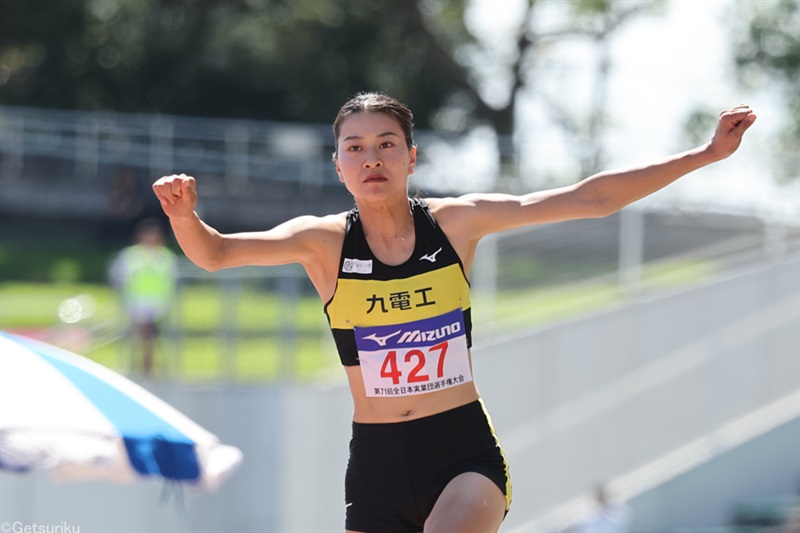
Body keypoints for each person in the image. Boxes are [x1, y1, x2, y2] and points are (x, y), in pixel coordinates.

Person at [152, 93, 756, 532]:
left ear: (411, 157)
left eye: (387, 144)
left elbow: (589, 199)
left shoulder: (456, 223)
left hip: (460, 451)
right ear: (338, 167)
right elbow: (218, 253)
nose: (372, 158)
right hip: (376, 461)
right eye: (355, 148)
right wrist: (183, 215)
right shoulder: (324, 242)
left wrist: (704, 155)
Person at [109, 218, 177, 377]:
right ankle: (144, 365)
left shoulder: (165, 256)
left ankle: (148, 365)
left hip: (158, 305)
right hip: (136, 303)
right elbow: (117, 275)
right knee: (142, 337)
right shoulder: (131, 255)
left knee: (150, 337)